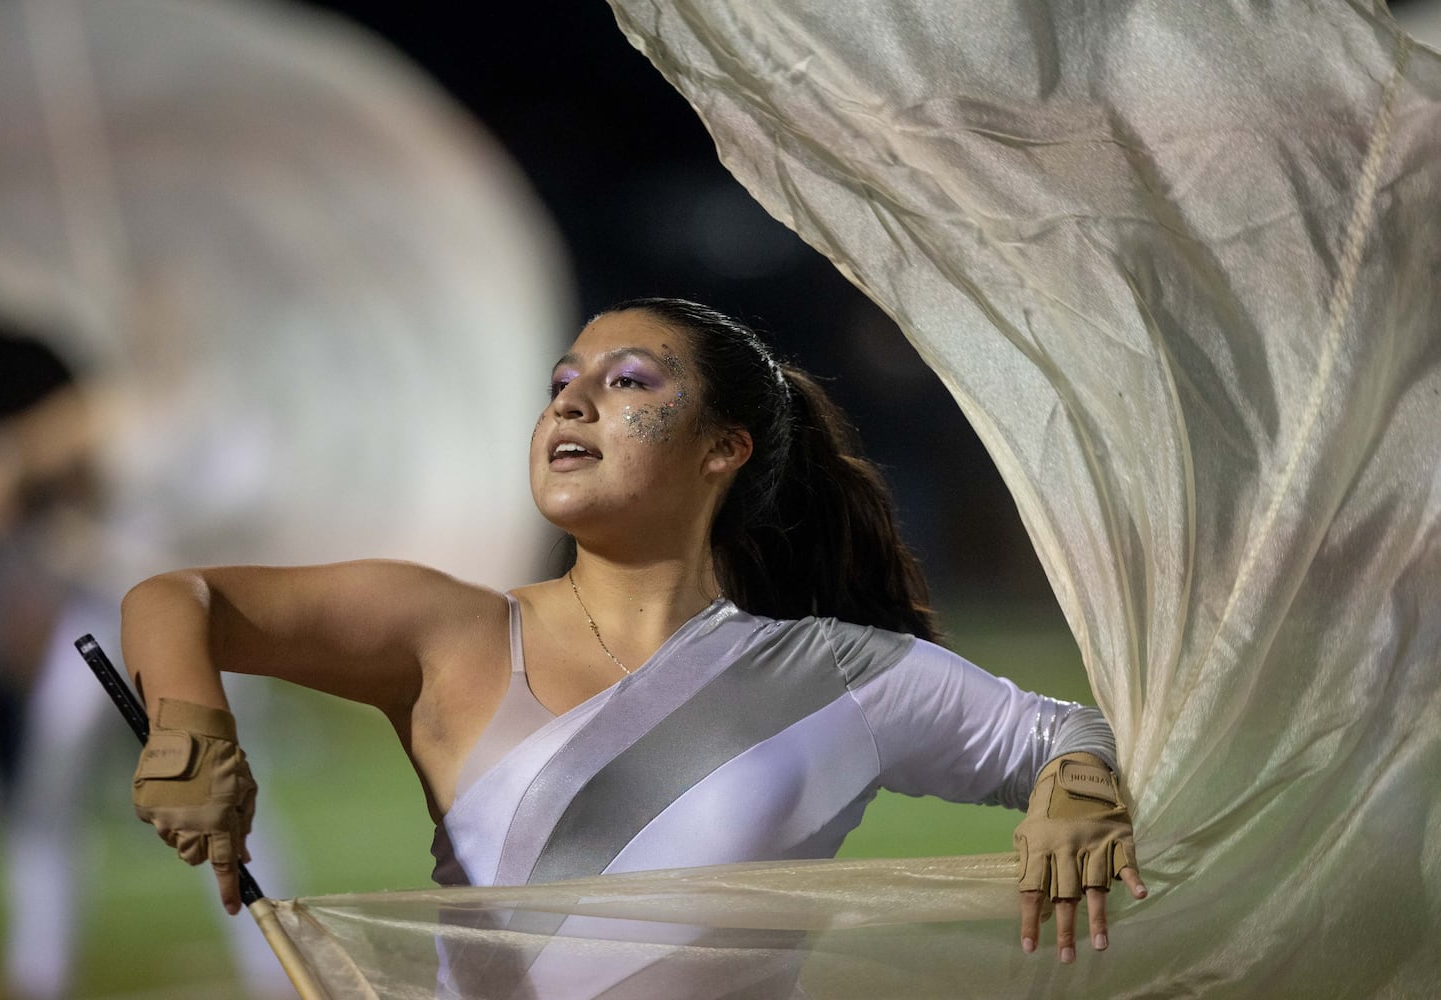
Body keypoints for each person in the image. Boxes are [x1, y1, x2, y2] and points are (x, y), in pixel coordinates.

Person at [121, 297, 1147, 984]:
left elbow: (1059, 731)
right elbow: (180, 595)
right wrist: (190, 728)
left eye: (628, 383)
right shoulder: (454, 634)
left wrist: (1076, 792)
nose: (570, 399)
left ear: (724, 449)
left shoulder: (838, 674)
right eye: (563, 381)